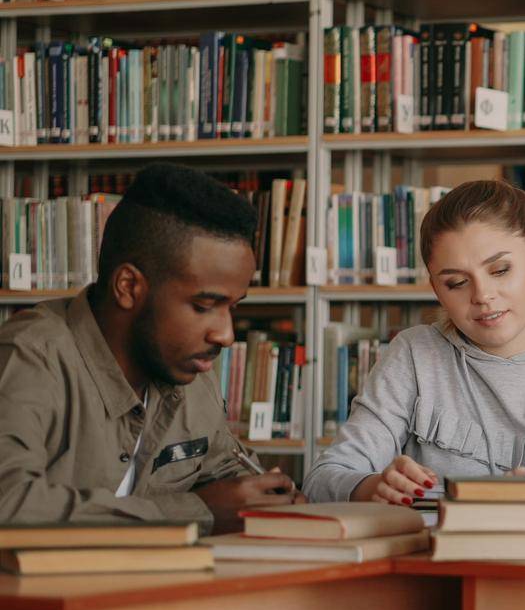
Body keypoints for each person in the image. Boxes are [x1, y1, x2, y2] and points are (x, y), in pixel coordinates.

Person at [303, 180, 525, 512]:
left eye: (500, 270)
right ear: (436, 289)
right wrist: (372, 487)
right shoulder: (413, 354)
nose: (482, 296)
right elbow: (321, 481)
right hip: (432, 562)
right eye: (457, 282)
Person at [0, 163, 305, 535]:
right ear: (128, 286)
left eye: (233, 306)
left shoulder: (188, 371)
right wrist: (197, 512)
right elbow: (8, 503)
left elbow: (226, 472)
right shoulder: (30, 356)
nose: (225, 335)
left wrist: (267, 497)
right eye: (204, 306)